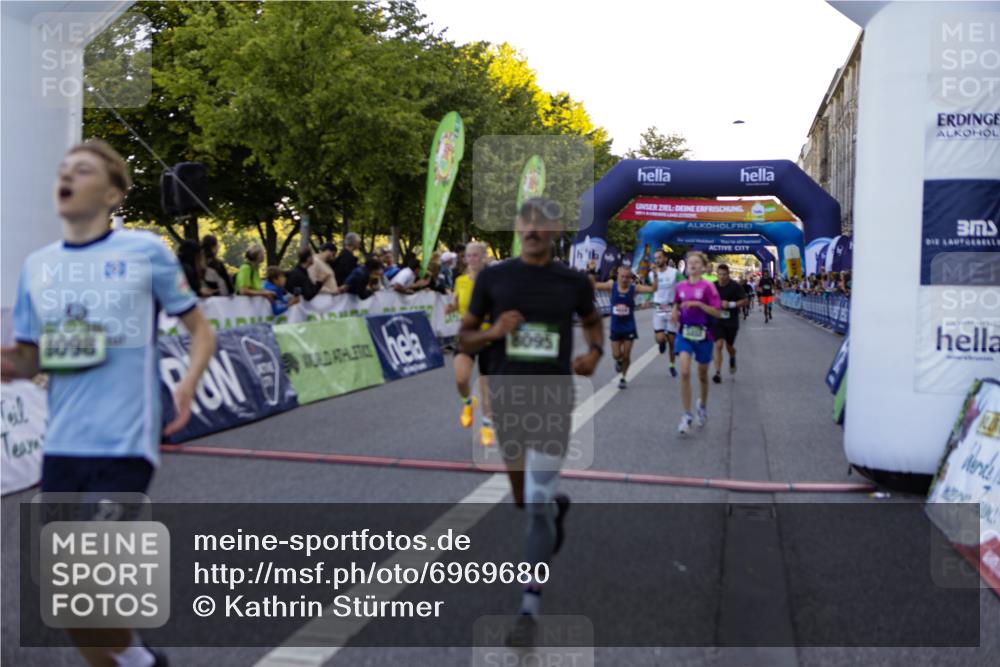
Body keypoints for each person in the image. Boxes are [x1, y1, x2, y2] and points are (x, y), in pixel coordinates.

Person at [1, 139, 216, 667]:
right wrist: (10, 365)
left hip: (124, 441)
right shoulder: (38, 266)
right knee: (66, 591)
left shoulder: (143, 253)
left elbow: (201, 331)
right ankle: (138, 661)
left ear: (114, 193)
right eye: (63, 168)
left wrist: (187, 382)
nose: (67, 176)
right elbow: (29, 361)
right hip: (62, 443)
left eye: (83, 169)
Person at [459, 198, 603, 645]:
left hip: (552, 397)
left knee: (536, 498)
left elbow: (594, 321)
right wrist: (494, 333)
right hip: (505, 398)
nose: (535, 230)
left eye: (543, 224)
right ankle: (551, 511)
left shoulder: (572, 281)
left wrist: (594, 354)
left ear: (556, 229)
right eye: (527, 223)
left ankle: (528, 606)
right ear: (518, 228)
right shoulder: (494, 278)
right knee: (525, 499)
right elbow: (464, 336)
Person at [446, 241, 495, 446]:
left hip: (488, 336)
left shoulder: (494, 280)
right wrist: (450, 307)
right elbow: (457, 303)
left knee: (486, 386)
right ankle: (468, 402)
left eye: (476, 255)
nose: (472, 259)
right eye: (469, 255)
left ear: (484, 257)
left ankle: (486, 425)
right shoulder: (460, 281)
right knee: (461, 379)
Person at [672, 251, 723, 435]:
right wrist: (674, 312)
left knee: (702, 375)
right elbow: (676, 304)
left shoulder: (708, 287)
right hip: (685, 334)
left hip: (704, 335)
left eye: (696, 262)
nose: (692, 265)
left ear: (703, 267)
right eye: (689, 262)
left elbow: (717, 312)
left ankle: (702, 405)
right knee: (684, 372)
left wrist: (700, 305)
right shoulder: (681, 286)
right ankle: (686, 414)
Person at [592, 267, 655, 389]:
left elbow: (653, 289)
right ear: (618, 276)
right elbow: (594, 285)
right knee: (616, 355)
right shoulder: (611, 286)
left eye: (627, 277)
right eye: (622, 276)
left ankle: (623, 377)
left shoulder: (634, 288)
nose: (625, 279)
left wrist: (655, 276)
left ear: (631, 278)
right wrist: (591, 271)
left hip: (629, 327)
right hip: (615, 326)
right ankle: (619, 361)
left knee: (626, 354)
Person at [711, 264, 749, 384]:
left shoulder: (735, 286)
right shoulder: (713, 286)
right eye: (720, 274)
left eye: (724, 274)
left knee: (729, 347)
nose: (722, 277)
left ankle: (732, 356)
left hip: (731, 320)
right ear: (717, 274)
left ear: (728, 275)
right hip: (718, 320)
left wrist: (731, 304)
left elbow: (745, 300)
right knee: (718, 344)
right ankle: (717, 373)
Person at [650, 250, 681, 377]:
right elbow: (650, 289)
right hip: (658, 309)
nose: (657, 260)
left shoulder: (675, 273)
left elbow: (683, 287)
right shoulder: (652, 274)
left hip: (671, 309)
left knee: (672, 342)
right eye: (656, 258)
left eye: (660, 257)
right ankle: (662, 342)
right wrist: (646, 299)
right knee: (660, 338)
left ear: (665, 258)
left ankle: (672, 365)